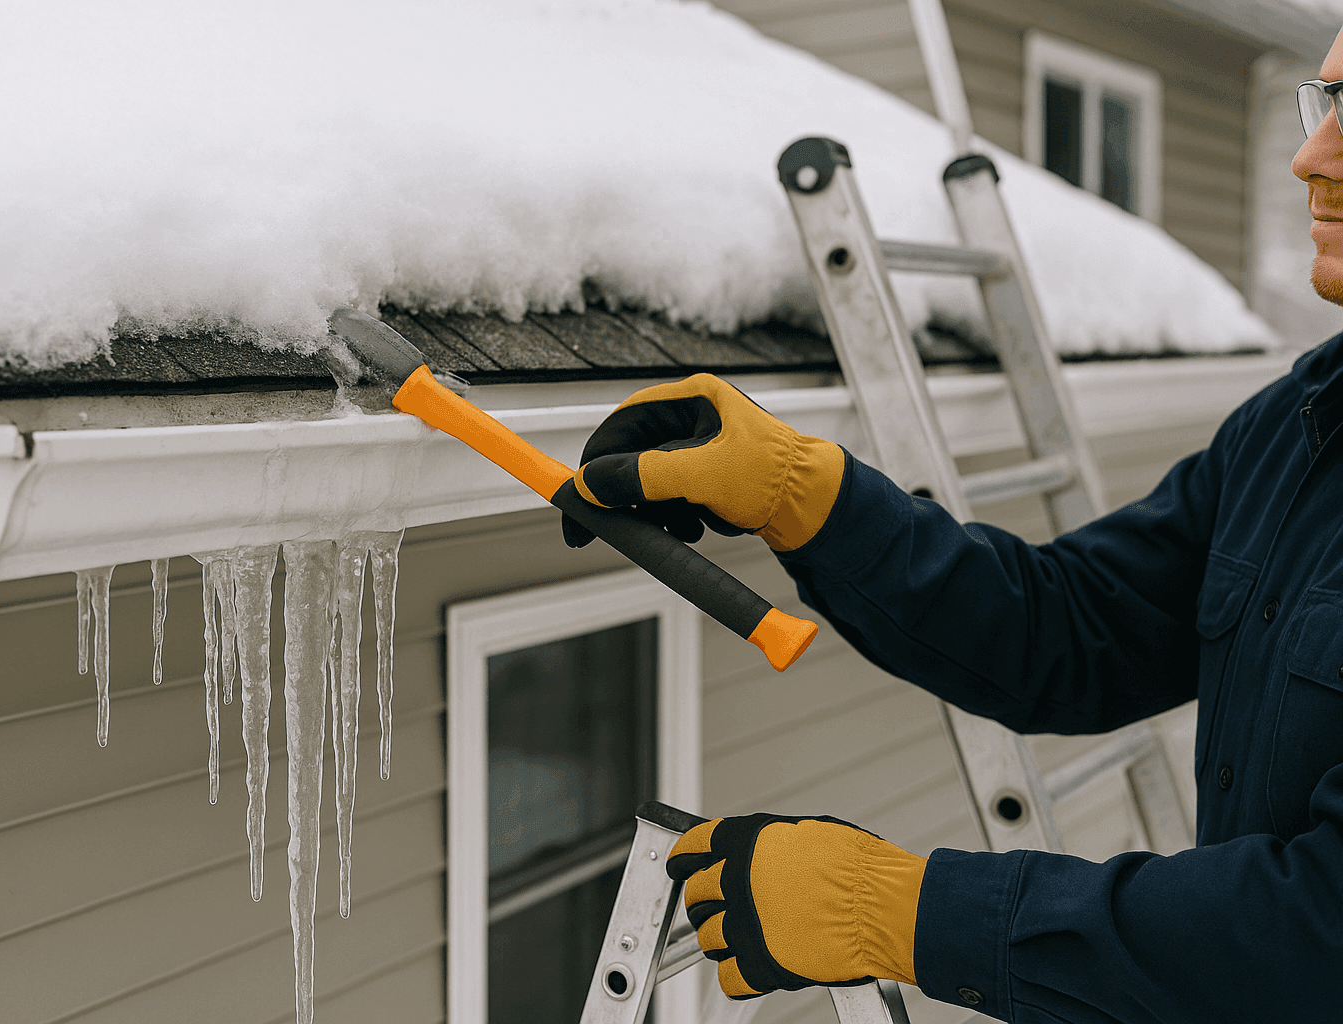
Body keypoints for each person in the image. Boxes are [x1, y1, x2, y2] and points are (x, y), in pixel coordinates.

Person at [560, 27, 1343, 1024]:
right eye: (1321, 105)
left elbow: (1317, 934)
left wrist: (899, 911)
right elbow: (1074, 625)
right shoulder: (1298, 425)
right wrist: (803, 493)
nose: (1309, 158)